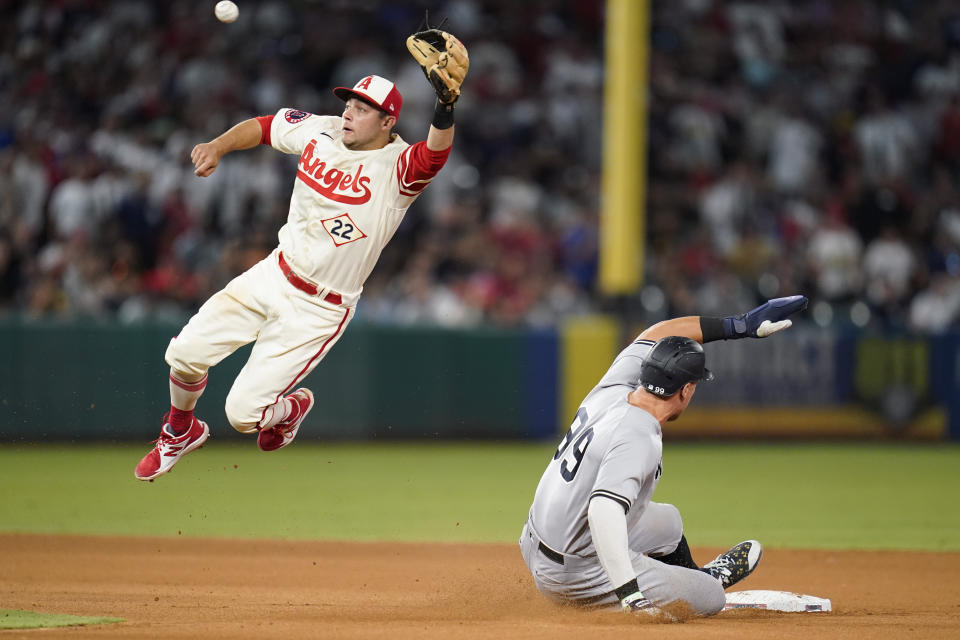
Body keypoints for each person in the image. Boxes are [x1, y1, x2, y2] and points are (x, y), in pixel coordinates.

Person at [135, 32, 469, 480]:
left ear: (388, 122)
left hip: (319, 307)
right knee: (184, 354)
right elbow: (267, 125)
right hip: (275, 272)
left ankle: (290, 409)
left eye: (362, 108)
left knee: (242, 414)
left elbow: (435, 156)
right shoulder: (323, 129)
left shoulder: (397, 168)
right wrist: (217, 146)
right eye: (349, 102)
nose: (349, 112)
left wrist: (445, 106)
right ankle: (180, 430)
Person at [519, 295, 808, 619]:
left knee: (669, 523)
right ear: (685, 390)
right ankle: (698, 584)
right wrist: (631, 595)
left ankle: (686, 578)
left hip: (536, 541)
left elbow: (656, 333)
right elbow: (603, 510)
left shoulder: (614, 386)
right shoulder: (639, 434)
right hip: (572, 574)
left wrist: (737, 326)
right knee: (711, 597)